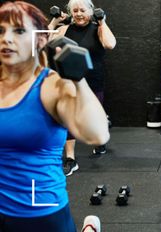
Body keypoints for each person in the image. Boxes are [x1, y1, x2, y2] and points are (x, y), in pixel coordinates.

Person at [0, 1, 108, 232]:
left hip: (38, 207)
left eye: (19, 31)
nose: (7, 38)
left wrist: (78, 81)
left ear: (39, 40)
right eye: (1, 30)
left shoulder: (50, 86)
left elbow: (97, 134)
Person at [48, 0, 116, 176]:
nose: (78, 14)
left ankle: (99, 141)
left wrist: (102, 21)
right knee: (68, 117)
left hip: (94, 81)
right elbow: (44, 41)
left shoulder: (98, 28)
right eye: (75, 10)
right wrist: (55, 22)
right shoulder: (64, 29)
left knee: (94, 116)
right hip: (69, 81)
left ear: (91, 11)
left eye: (82, 10)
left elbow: (110, 44)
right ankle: (70, 158)